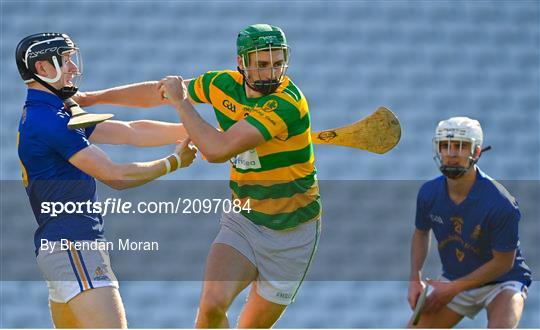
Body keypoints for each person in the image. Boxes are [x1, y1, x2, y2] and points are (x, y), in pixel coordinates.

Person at [77, 23, 321, 328]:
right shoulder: (221, 85)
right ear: (241, 62)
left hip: (292, 234)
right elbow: (158, 94)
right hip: (245, 219)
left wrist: (181, 103)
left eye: (276, 62)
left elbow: (217, 150)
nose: (270, 72)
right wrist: (92, 98)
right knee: (211, 309)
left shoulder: (286, 103)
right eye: (261, 63)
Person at [16, 32, 197, 328]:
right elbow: (117, 176)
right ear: (42, 68)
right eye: (65, 60)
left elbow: (130, 132)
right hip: (73, 245)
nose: (74, 67)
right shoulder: (50, 121)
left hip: (67, 247)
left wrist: (199, 132)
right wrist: (174, 162)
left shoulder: (52, 112)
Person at [408, 117, 532, 328]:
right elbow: (421, 232)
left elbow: (503, 263)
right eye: (444, 146)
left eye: (461, 146)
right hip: (456, 278)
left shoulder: (501, 203)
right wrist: (414, 278)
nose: (451, 153)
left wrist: (453, 288)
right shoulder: (428, 193)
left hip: (502, 281)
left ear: (476, 152)